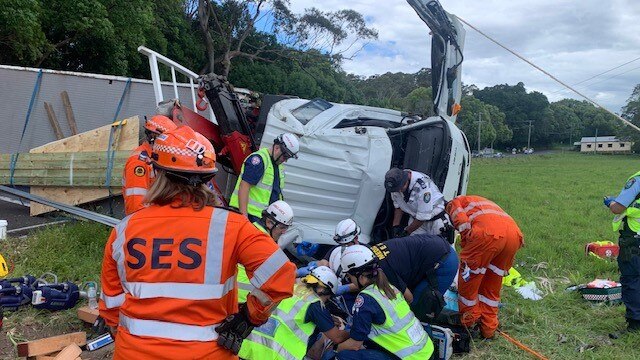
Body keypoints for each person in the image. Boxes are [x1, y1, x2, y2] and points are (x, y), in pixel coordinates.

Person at [99, 126, 296, 359]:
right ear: (208, 177)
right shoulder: (232, 227)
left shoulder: (124, 230)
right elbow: (281, 277)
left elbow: (112, 305)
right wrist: (248, 318)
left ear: (157, 173)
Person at [336, 245, 434, 360]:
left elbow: (355, 344)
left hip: (410, 357)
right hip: (426, 351)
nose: (350, 281)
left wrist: (336, 349)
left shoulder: (365, 299)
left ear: (360, 276)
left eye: (349, 277)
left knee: (344, 355)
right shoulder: (389, 287)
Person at [445, 195, 523, 339]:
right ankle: (488, 329)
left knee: (469, 282)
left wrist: (467, 244)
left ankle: (470, 323)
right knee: (492, 286)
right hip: (513, 236)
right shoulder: (477, 202)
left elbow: (462, 223)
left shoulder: (454, 204)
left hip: (487, 236)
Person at [238, 266, 349, 360]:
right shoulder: (314, 304)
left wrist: (327, 318)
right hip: (273, 356)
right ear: (323, 291)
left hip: (246, 348)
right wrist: (354, 332)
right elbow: (337, 337)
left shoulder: (288, 288)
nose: (326, 302)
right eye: (328, 298)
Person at [370, 234, 459, 322]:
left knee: (417, 309)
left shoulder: (385, 271)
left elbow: (409, 298)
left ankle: (452, 323)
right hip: (433, 248)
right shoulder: (369, 253)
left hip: (445, 261)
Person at [229, 133, 300, 223]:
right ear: (277, 148)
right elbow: (244, 187)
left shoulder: (278, 166)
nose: (285, 160)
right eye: (285, 156)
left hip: (261, 218)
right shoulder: (259, 160)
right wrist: (244, 217)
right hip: (250, 216)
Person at [237, 200, 294, 303]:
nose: (284, 232)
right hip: (244, 297)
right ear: (269, 222)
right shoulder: (268, 246)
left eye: (286, 228)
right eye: (282, 227)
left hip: (229, 292)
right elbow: (282, 278)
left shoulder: (248, 228)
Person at [604, 172, 640, 334]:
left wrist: (610, 202)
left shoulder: (637, 180)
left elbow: (618, 208)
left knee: (632, 279)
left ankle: (635, 324)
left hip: (635, 241)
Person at [122, 115, 177, 215]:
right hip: (145, 221)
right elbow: (135, 205)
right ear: (153, 137)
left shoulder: (157, 157)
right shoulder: (138, 162)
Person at [384, 167, 451, 238]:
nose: (399, 191)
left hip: (435, 222)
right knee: (413, 247)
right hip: (415, 221)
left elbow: (422, 217)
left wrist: (406, 232)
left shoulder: (423, 187)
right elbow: (398, 207)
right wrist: (395, 226)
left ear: (406, 179)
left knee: (441, 247)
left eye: (400, 188)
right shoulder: (396, 186)